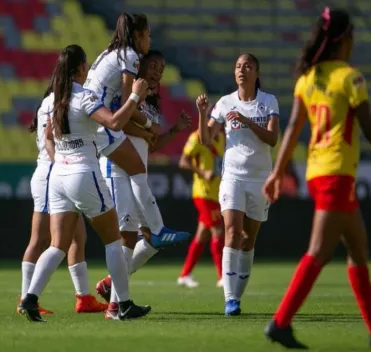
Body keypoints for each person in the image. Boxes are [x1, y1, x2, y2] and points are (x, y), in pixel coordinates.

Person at [262, 8, 371, 349]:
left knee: (358, 249)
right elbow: (369, 128)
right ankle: (280, 322)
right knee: (318, 251)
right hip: (336, 173)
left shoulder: (307, 79)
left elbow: (294, 129)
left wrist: (278, 171)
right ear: (345, 39)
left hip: (317, 171)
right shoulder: (350, 77)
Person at [19, 44, 151, 322]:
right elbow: (115, 123)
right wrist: (135, 96)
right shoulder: (84, 97)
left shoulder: (51, 100)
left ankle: (30, 297)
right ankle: (123, 304)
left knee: (58, 245)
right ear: (81, 68)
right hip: (83, 173)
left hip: (59, 177)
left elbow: (49, 138)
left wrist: (61, 162)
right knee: (113, 238)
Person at [84, 13, 191, 249]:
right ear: (138, 35)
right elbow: (127, 103)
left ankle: (154, 230)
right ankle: (156, 228)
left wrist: (154, 130)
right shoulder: (130, 56)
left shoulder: (112, 52)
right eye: (148, 35)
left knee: (130, 230)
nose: (149, 41)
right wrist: (149, 126)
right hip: (102, 124)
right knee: (137, 172)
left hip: (94, 121)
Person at [94, 50, 193, 305]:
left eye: (162, 67)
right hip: (117, 168)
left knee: (149, 241)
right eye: (154, 65)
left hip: (137, 174)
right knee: (129, 235)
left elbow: (153, 144)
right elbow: (121, 123)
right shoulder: (130, 94)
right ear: (141, 66)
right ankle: (117, 303)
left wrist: (173, 131)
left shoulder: (150, 102)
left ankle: (111, 284)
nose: (158, 71)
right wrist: (148, 128)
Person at [197, 53, 279, 315]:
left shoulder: (268, 102)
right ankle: (230, 298)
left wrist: (245, 122)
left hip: (260, 179)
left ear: (256, 72)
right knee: (231, 232)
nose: (241, 70)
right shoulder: (224, 103)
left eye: (247, 66)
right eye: (238, 66)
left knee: (248, 239)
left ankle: (237, 295)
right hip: (232, 176)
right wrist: (201, 113)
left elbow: (273, 138)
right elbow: (205, 139)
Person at [20, 87, 107, 315]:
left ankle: (84, 298)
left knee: (78, 237)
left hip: (55, 172)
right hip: (52, 172)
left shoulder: (48, 104)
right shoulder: (57, 104)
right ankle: (26, 298)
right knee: (41, 240)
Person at [177, 124, 225, 288]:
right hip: (203, 193)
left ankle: (184, 275)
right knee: (218, 231)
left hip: (216, 193)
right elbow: (183, 162)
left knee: (202, 235)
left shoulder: (222, 138)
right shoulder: (196, 137)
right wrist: (202, 172)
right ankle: (223, 276)